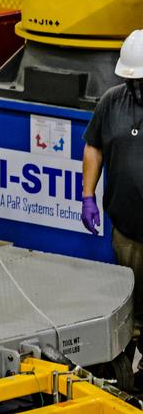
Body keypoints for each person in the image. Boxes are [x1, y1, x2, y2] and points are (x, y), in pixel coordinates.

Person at [81, 29, 143, 353]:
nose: (136, 87)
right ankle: (129, 360)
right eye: (132, 80)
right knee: (130, 303)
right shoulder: (111, 102)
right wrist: (88, 196)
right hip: (128, 232)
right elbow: (94, 147)